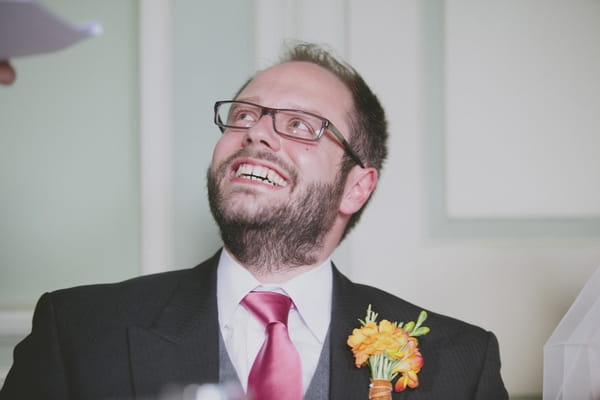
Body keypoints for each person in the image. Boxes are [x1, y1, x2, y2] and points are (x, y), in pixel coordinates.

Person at [0, 42, 508, 399]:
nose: (257, 134)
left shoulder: (458, 362)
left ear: (357, 186)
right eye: (244, 115)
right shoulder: (79, 331)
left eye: (299, 125)